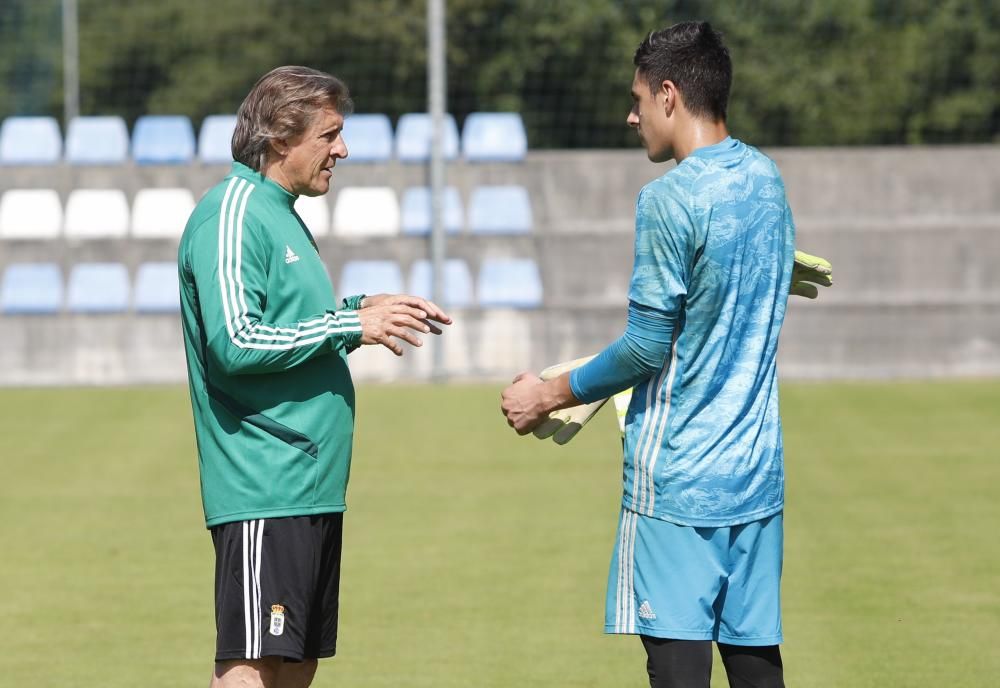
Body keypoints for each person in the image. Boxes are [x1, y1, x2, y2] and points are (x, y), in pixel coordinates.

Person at [501, 22, 792, 688]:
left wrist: (548, 393)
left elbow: (644, 347)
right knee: (756, 671)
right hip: (756, 476)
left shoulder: (669, 198)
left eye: (637, 98)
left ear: (670, 94)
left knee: (678, 673)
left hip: (678, 486)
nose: (631, 116)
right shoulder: (766, 179)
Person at [178, 66, 451, 688]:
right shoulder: (233, 212)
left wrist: (360, 311)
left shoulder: (281, 213)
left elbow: (291, 326)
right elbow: (237, 342)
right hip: (264, 481)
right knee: (250, 665)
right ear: (280, 137)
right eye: (329, 135)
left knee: (296, 664)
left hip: (312, 484)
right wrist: (348, 328)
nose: (342, 149)